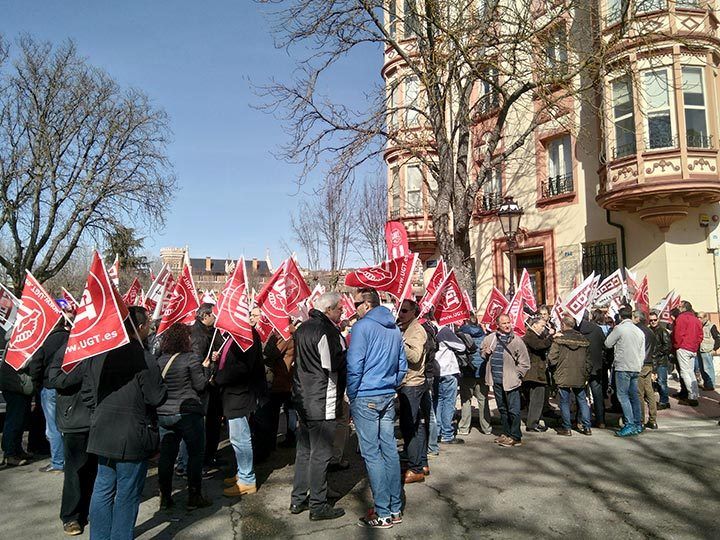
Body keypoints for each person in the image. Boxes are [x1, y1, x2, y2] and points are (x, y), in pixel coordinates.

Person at [81, 306, 168, 540]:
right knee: (126, 494)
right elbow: (156, 397)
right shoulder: (142, 357)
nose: (150, 328)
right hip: (131, 435)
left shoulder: (99, 353)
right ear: (139, 327)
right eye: (148, 324)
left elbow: (87, 393)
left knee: (102, 490)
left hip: (102, 431)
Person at [347, 289, 407, 529]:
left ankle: (382, 512)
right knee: (389, 451)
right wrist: (392, 383)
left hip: (366, 395)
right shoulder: (393, 328)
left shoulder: (362, 327)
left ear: (368, 304)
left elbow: (354, 364)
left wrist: (352, 393)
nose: (354, 308)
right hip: (386, 394)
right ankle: (394, 508)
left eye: (357, 303)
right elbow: (402, 364)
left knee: (372, 454)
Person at [290, 292, 347, 521]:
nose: (342, 311)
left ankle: (298, 498)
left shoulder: (303, 327)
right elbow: (331, 364)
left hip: (303, 396)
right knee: (321, 453)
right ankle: (318, 505)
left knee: (304, 451)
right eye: (340, 308)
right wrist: (348, 354)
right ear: (329, 310)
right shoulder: (326, 330)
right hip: (322, 398)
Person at [156, 322, 211, 510]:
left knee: (167, 456)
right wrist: (207, 368)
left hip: (164, 413)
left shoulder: (161, 360)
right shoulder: (192, 358)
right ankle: (194, 496)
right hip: (188, 413)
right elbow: (200, 385)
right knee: (195, 454)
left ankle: (165, 496)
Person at [215, 320, 265, 497]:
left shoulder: (246, 335)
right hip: (233, 394)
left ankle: (247, 479)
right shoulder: (233, 335)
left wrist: (217, 377)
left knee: (240, 438)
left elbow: (242, 367)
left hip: (240, 395)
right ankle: (241, 472)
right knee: (236, 437)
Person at [30, 315, 73, 473]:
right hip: (68, 386)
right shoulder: (71, 338)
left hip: (49, 387)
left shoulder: (45, 341)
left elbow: (36, 365)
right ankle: (68, 458)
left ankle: (58, 461)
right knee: (66, 426)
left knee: (52, 427)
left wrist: (36, 384)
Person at [481, 313, 530, 447]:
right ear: (498, 325)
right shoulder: (490, 338)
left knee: (514, 410)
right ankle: (506, 433)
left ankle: (515, 436)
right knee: (502, 408)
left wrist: (517, 375)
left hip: (511, 381)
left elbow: (525, 363)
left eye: (508, 322)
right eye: (504, 323)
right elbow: (482, 353)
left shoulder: (517, 340)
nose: (507, 325)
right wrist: (486, 352)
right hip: (496, 380)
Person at [397, 299, 429, 484]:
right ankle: (420, 462)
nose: (401, 314)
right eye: (400, 310)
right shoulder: (406, 328)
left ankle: (416, 467)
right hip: (408, 382)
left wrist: (400, 343)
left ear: (413, 312)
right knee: (415, 425)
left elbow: (415, 357)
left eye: (405, 311)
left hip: (413, 383)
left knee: (410, 426)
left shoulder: (416, 330)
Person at [190, 303, 224, 470]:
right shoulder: (198, 335)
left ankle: (209, 454)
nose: (216, 318)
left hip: (212, 383)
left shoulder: (211, 331)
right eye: (213, 315)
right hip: (206, 386)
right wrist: (208, 370)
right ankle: (205, 457)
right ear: (205, 316)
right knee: (208, 423)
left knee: (213, 422)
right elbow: (198, 363)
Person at [604, 306, 645, 437]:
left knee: (623, 396)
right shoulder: (639, 331)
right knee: (634, 396)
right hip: (635, 366)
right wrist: (639, 365)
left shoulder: (619, 329)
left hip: (623, 366)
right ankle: (638, 423)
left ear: (620, 317)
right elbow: (642, 352)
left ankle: (630, 424)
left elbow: (608, 343)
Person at [549, 315, 592, 436]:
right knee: (582, 400)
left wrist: (555, 371)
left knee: (564, 401)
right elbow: (589, 360)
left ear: (563, 325)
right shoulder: (583, 339)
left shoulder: (559, 339)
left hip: (563, 374)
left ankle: (567, 428)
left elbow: (552, 358)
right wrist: (586, 374)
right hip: (580, 374)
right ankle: (587, 427)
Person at [457, 314, 491, 436]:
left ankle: (464, 427)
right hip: (481, 371)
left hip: (468, 371)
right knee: (483, 400)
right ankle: (486, 427)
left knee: (466, 400)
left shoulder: (461, 335)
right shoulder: (485, 335)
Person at [434, 324, 465, 444]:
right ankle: (447, 434)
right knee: (448, 403)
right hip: (448, 370)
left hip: (435, 371)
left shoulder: (428, 329)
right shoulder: (444, 330)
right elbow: (461, 347)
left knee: (437, 402)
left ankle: (437, 432)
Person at [577, 310, 607, 428]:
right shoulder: (597, 329)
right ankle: (601, 421)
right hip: (596, 366)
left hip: (581, 367)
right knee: (597, 395)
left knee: (581, 394)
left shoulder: (577, 330)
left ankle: (581, 420)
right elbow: (605, 345)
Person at [522, 316, 552, 432]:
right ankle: (532, 423)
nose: (543, 328)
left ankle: (534, 421)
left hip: (535, 373)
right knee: (537, 399)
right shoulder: (530, 336)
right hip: (534, 374)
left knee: (535, 399)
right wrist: (551, 338)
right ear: (534, 325)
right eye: (542, 326)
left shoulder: (535, 336)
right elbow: (539, 345)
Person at [672, 301, 703, 407]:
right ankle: (694, 394)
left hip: (684, 347)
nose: (678, 308)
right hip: (692, 348)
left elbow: (678, 333)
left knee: (685, 372)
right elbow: (700, 335)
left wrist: (677, 345)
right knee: (690, 372)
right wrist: (696, 345)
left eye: (680, 306)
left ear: (684, 308)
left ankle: (692, 396)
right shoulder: (696, 319)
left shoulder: (681, 318)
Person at [634, 310, 658, 430]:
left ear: (637, 318)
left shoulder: (637, 331)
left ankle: (641, 420)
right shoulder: (649, 331)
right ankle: (653, 419)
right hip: (648, 363)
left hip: (640, 363)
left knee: (639, 393)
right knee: (649, 392)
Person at [649, 310, 672, 410]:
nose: (653, 322)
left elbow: (667, 346)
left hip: (661, 361)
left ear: (658, 319)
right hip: (651, 361)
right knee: (653, 383)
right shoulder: (649, 330)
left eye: (655, 319)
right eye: (651, 320)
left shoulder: (662, 331)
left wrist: (657, 352)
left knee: (662, 382)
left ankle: (664, 401)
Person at [697, 312, 718, 391]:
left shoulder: (711, 326)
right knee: (702, 369)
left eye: (701, 317)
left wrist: (714, 349)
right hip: (700, 350)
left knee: (708, 368)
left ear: (706, 318)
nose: (699, 319)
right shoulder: (698, 326)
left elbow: (718, 338)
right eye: (698, 317)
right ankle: (706, 384)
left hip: (707, 351)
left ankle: (711, 385)